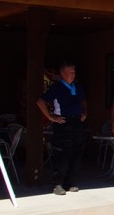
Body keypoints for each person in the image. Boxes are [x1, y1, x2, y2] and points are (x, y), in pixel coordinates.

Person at [37, 63, 88, 195]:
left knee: (76, 152)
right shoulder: (57, 87)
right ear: (63, 74)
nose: (73, 74)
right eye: (70, 72)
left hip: (76, 121)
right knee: (62, 154)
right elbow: (40, 102)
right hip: (63, 122)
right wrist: (51, 117)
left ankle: (69, 182)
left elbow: (83, 100)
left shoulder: (77, 87)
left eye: (74, 72)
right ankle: (57, 184)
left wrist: (85, 112)